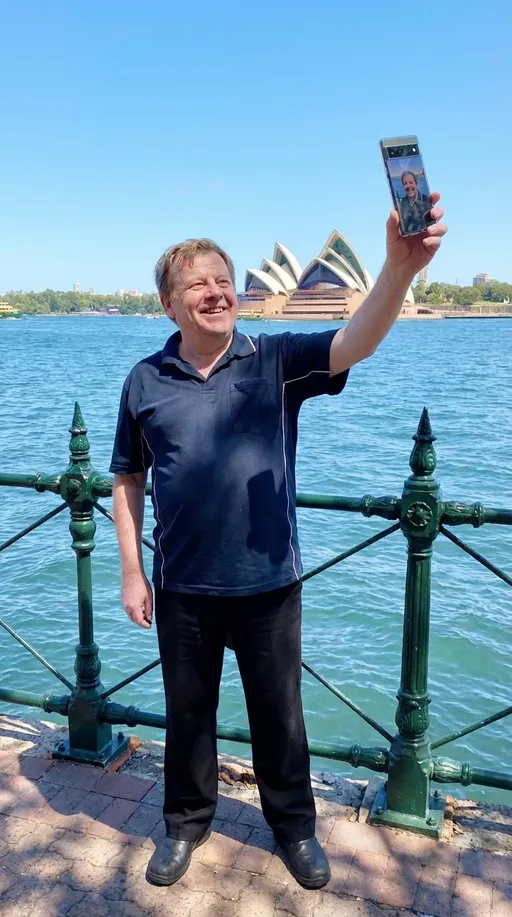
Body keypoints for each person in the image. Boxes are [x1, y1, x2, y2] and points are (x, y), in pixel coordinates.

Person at [109, 198, 446, 891]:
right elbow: (128, 478)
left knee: (280, 717)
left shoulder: (275, 360)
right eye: (197, 284)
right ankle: (185, 822)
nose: (215, 292)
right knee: (188, 716)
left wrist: (399, 270)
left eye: (222, 279)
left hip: (268, 582)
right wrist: (132, 572)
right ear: (169, 304)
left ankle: (294, 827)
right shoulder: (144, 379)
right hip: (181, 585)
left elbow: (355, 341)